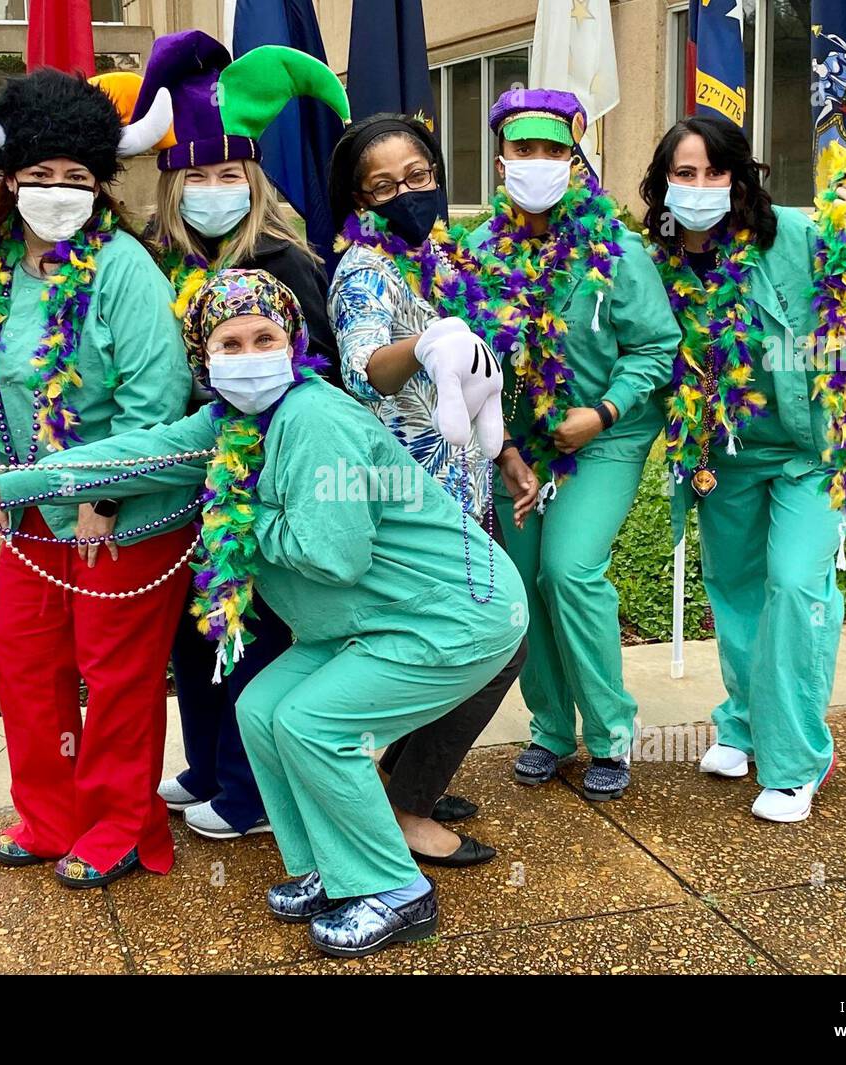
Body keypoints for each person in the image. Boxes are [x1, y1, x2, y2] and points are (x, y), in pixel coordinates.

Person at [0, 269, 529, 959]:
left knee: (314, 725)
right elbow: (135, 455)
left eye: (265, 337)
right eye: (231, 342)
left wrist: (236, 517)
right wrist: (3, 484)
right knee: (261, 711)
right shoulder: (227, 422)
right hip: (373, 619)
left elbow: (334, 555)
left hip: (455, 614)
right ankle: (329, 870)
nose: (250, 355)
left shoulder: (312, 417)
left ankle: (395, 890)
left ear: (293, 342)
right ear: (206, 359)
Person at [0, 68, 195, 888]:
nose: (55, 192)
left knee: (115, 670)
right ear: (8, 178)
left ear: (100, 188)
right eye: (38, 176)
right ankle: (50, 816)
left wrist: (101, 496)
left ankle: (121, 824)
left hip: (127, 510)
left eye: (75, 179)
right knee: (22, 656)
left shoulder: (124, 268)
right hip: (31, 509)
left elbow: (156, 403)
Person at [130, 29, 349, 841]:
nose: (215, 189)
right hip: (194, 476)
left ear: (252, 179)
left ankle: (250, 791)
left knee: (250, 627)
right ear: (172, 185)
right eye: (197, 176)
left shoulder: (282, 258)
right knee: (198, 631)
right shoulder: (166, 257)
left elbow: (319, 369)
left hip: (258, 480)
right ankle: (206, 760)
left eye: (230, 174)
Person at [640, 114, 846, 822]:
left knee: (793, 584)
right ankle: (745, 724)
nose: (700, 186)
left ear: (739, 176)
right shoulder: (652, 262)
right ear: (662, 185)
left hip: (814, 452)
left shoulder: (796, 237)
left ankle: (799, 758)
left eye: (715, 171)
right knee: (738, 588)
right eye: (684, 174)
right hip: (726, 457)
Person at [464, 90, 680, 800]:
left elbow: (656, 346)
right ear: (501, 161)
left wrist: (604, 410)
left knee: (569, 571)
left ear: (575, 159)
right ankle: (553, 728)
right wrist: (504, 449)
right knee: (521, 588)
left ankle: (612, 732)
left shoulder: (615, 249)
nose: (538, 164)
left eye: (553, 151)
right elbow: (467, 364)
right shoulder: (477, 253)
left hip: (604, 439)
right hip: (514, 447)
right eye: (525, 151)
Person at [327, 113, 530, 864]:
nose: (406, 192)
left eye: (418, 176)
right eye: (383, 186)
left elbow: (471, 379)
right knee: (497, 646)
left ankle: (402, 776)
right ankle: (407, 807)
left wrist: (503, 453)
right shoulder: (364, 271)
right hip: (416, 505)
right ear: (359, 199)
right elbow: (363, 368)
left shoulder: (438, 257)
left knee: (471, 643)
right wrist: (423, 344)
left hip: (468, 490)